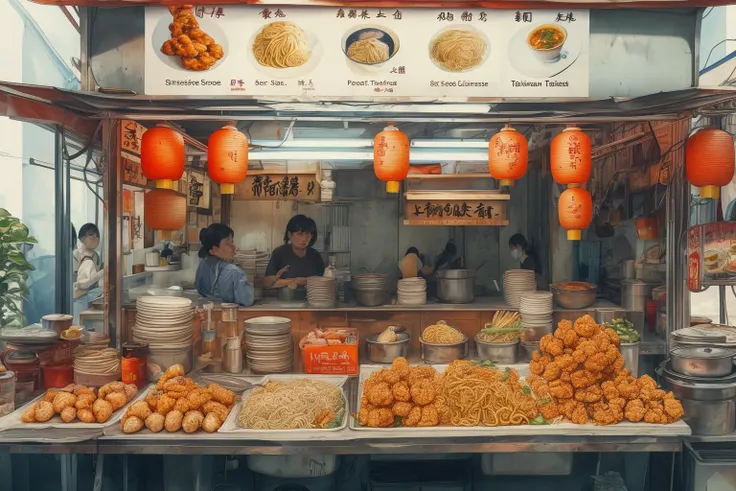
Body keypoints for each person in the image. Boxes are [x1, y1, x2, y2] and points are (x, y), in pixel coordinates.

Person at [195, 224, 254, 306]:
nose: (234, 246)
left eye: (232, 242)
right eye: (227, 243)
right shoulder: (235, 272)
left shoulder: (202, 265)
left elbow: (199, 290)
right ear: (214, 249)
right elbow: (246, 301)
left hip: (207, 312)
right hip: (229, 315)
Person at [264, 215, 325, 289]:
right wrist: (295, 281)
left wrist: (286, 281)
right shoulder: (279, 253)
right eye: (300, 234)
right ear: (289, 235)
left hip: (311, 298)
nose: (304, 239)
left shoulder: (315, 255)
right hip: (285, 298)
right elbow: (267, 282)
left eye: (308, 234)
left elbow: (323, 281)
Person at [73, 223, 105, 323]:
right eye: (91, 235)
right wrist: (102, 273)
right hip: (77, 299)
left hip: (89, 297)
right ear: (82, 238)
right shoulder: (75, 255)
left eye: (97, 235)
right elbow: (82, 283)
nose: (95, 238)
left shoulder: (95, 256)